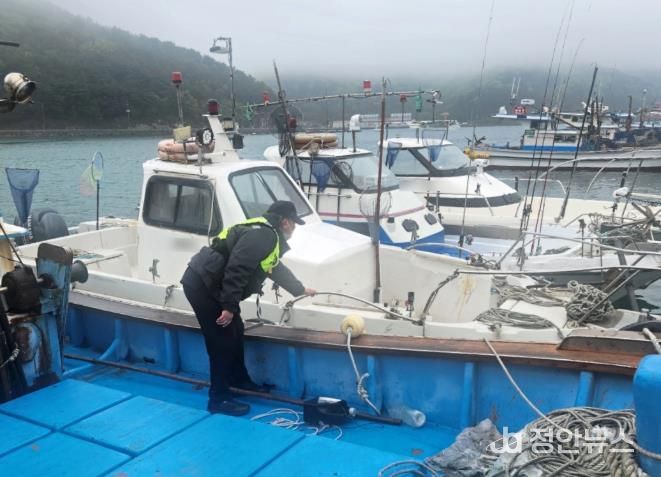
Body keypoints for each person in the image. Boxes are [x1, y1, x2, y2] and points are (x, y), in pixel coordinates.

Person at [181, 200, 315, 416]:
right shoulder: (264, 235)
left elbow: (274, 267)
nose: (294, 228)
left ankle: (239, 380)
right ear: (285, 222)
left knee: (235, 330)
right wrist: (229, 307)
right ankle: (218, 399)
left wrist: (299, 289)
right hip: (203, 285)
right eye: (294, 223)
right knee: (221, 341)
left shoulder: (266, 234)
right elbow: (237, 268)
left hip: (212, 284)